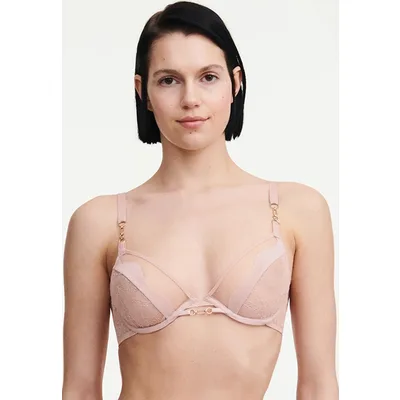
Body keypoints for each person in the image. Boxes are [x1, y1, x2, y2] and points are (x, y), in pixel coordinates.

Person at [62, 1, 339, 399]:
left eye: (208, 77)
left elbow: (318, 384)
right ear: (143, 92)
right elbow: (80, 389)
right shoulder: (98, 222)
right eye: (169, 80)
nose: (190, 98)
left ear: (235, 82)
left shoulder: (298, 210)